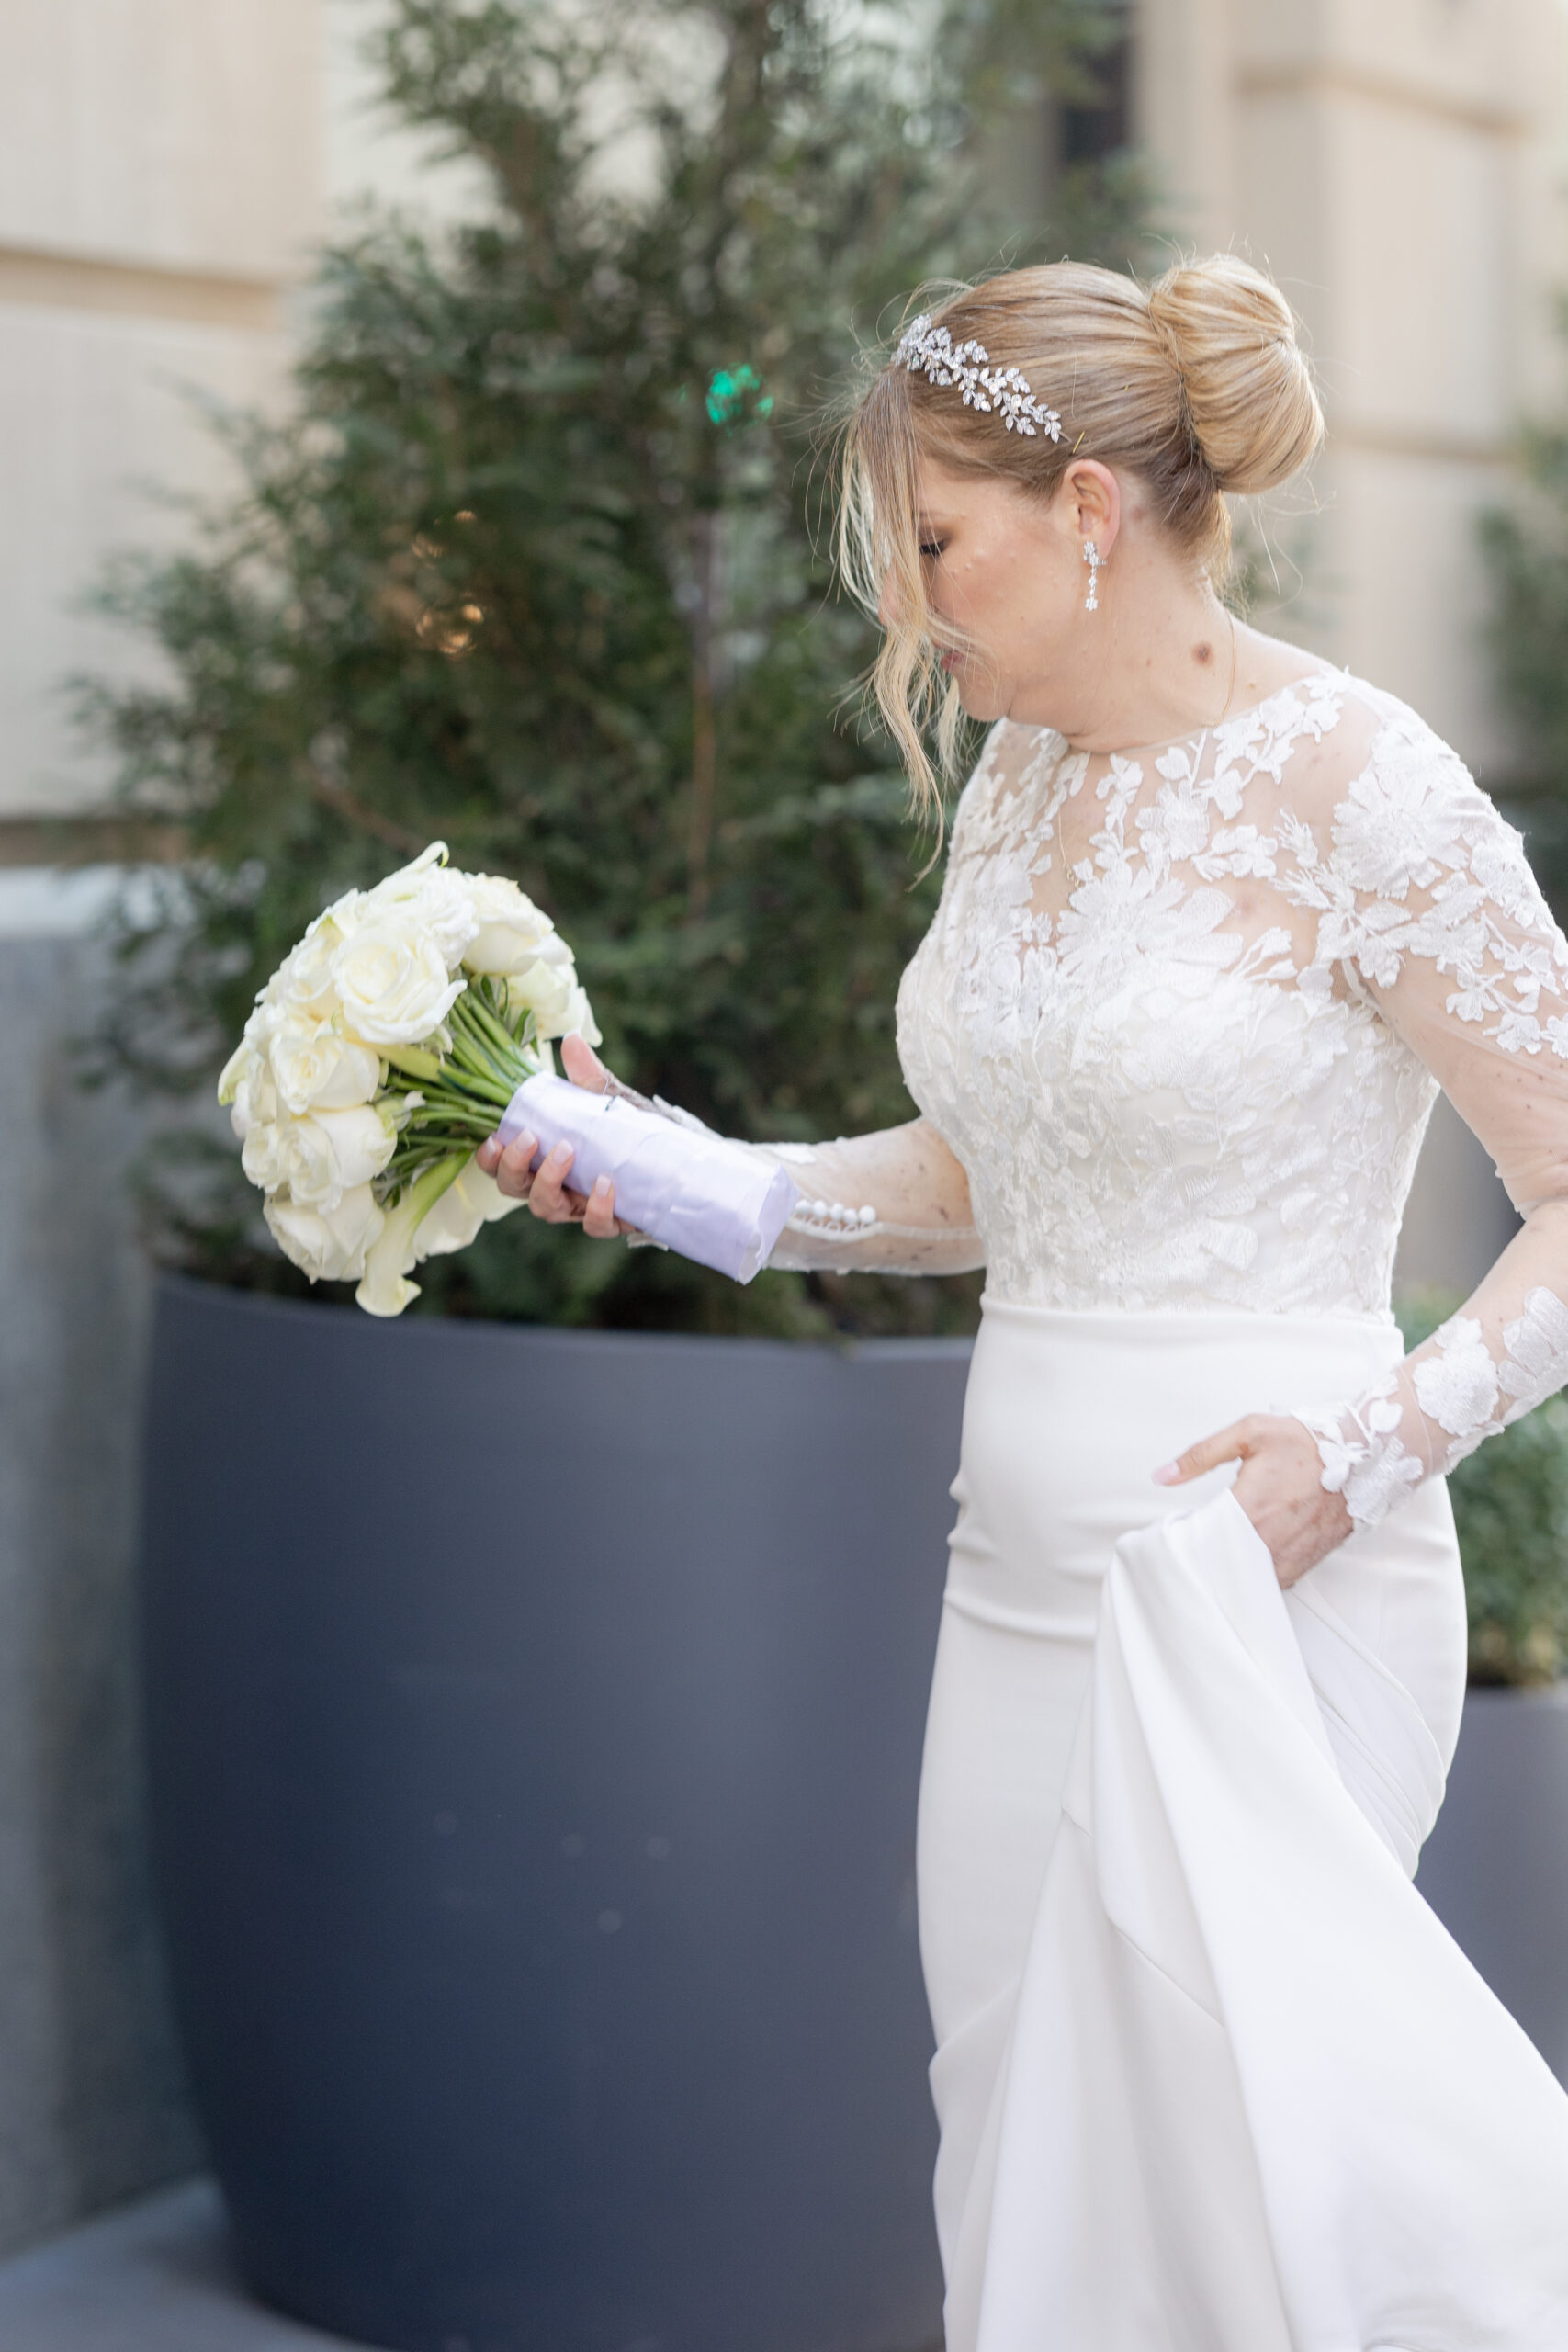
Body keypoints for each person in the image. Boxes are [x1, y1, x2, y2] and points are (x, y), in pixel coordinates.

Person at [478, 254, 1568, 2347]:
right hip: (1010, 1589)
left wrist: (1357, 1456)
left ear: (1086, 510)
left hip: (1265, 1584)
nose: (908, 607)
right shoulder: (1018, 787)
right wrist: (691, 1178)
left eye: (936, 546)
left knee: (1236, 2218)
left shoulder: (1367, 789)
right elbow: (994, 1179)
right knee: (1022, 2195)